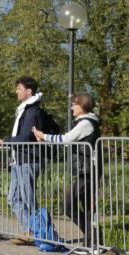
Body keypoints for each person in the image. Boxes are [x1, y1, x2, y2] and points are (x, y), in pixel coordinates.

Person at [0, 77, 57, 245]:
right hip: (18, 160)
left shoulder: (33, 112)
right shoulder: (23, 110)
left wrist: (5, 141)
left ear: (29, 91)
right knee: (13, 198)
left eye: (19, 88)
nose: (16, 91)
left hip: (29, 159)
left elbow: (26, 137)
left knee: (27, 199)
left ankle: (37, 232)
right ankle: (31, 230)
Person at [33, 93, 101, 240]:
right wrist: (46, 140)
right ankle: (93, 240)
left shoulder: (86, 123)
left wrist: (43, 135)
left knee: (70, 205)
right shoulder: (84, 122)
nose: (71, 107)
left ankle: (93, 240)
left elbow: (65, 139)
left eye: (74, 104)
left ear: (82, 106)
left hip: (89, 170)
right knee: (85, 206)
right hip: (87, 170)